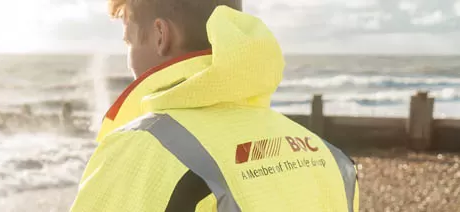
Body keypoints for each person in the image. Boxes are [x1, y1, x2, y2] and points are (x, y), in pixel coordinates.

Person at [70, 1, 359, 211]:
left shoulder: (137, 150)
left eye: (129, 41)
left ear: (160, 35)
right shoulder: (329, 158)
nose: (130, 59)